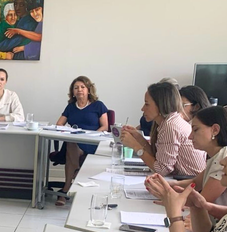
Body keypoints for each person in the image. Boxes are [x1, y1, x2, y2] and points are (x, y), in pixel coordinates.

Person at [121, 82, 206, 177]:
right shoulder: (168, 122)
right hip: (183, 179)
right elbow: (158, 157)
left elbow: (162, 170)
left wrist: (135, 146)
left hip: (188, 181)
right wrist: (138, 137)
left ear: (160, 105)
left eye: (147, 104)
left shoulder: (171, 127)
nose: (142, 109)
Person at [54, 76, 109, 206]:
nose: (79, 90)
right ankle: (76, 173)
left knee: (70, 149)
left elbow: (105, 126)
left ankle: (66, 189)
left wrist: (93, 136)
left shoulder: (98, 105)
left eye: (82, 87)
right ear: (72, 92)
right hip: (74, 141)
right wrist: (67, 131)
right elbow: (59, 124)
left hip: (92, 143)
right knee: (71, 144)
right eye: (76, 88)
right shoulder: (71, 107)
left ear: (89, 90)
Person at [173, 106, 227, 208]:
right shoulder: (216, 156)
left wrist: (167, 193)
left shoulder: (225, 155)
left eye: (195, 130)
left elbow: (202, 202)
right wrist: (165, 184)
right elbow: (195, 183)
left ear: (215, 130)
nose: (190, 136)